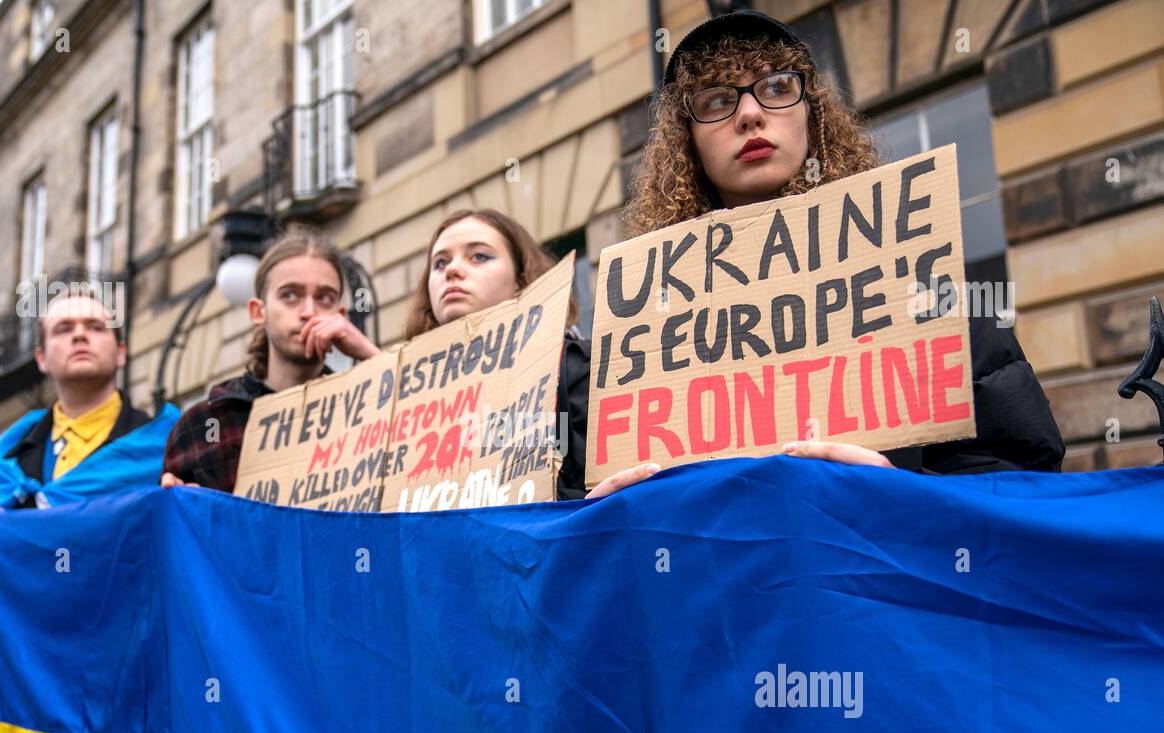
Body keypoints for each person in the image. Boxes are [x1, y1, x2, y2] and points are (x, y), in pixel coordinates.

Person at [623, 9, 1063, 474]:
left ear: (812, 115)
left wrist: (900, 495)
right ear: (686, 141)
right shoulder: (654, 325)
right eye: (715, 100)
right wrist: (618, 514)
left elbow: (1022, 474)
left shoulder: (921, 274)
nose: (750, 114)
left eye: (775, 87)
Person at [404, 208, 655, 500]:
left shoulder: (579, 368)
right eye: (440, 263)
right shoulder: (409, 401)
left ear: (522, 280)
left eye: (479, 256)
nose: (452, 270)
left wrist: (585, 514)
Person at [161, 229, 378, 492]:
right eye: (290, 295)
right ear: (258, 312)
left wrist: (368, 352)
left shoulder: (364, 409)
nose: (309, 312)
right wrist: (177, 499)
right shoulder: (210, 421)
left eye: (324, 298)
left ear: (340, 314)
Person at [0, 289, 179, 523]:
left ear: (121, 353)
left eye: (96, 327)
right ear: (41, 358)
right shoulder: (4, 459)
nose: (79, 335)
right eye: (64, 329)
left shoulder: (166, 446)